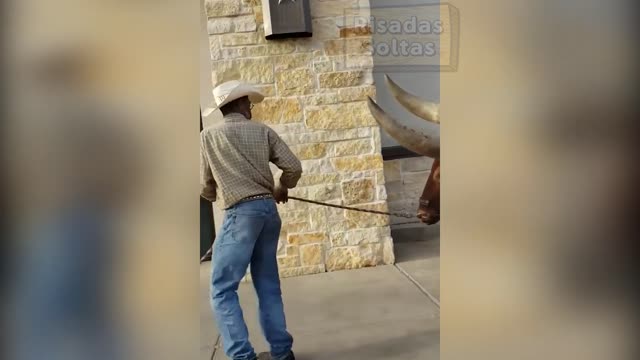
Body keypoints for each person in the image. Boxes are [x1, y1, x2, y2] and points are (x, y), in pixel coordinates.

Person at [200, 80, 302, 360]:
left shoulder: (208, 137)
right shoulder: (263, 131)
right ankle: (282, 353)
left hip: (240, 214)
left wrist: (215, 193)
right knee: (268, 285)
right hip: (268, 212)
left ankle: (242, 356)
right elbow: (292, 167)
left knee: (221, 289)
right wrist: (282, 187)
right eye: (249, 103)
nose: (251, 108)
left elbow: (205, 186)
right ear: (240, 104)